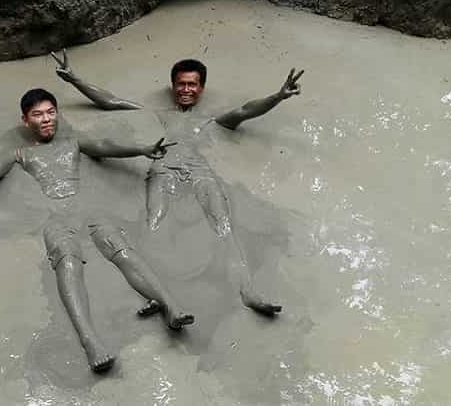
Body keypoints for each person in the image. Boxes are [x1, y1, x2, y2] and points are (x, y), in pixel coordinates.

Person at [0, 88, 193, 373]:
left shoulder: (73, 141)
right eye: (38, 115)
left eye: (50, 112)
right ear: (25, 120)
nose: (46, 120)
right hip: (54, 216)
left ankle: (171, 306)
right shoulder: (20, 152)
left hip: (85, 208)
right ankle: (90, 340)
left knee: (120, 248)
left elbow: (104, 146)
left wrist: (142, 149)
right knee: (67, 262)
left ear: (57, 114)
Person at [53, 51, 305, 315]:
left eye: (192, 84)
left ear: (201, 88)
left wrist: (277, 96)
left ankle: (247, 291)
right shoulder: (155, 113)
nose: (186, 89)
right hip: (163, 169)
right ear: (174, 87)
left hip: (201, 172)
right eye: (181, 84)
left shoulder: (211, 120)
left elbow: (246, 110)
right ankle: (153, 293)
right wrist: (75, 80)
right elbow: (112, 101)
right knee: (153, 222)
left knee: (223, 225)